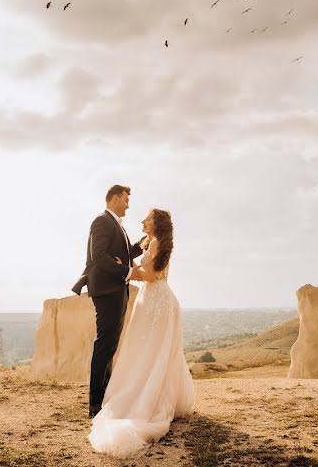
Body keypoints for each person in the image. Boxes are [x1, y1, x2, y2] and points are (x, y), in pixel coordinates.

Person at [87, 208, 195, 458]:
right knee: (150, 350)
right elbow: (147, 269)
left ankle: (148, 395)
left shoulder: (156, 242)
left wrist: (126, 270)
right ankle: (149, 389)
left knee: (150, 350)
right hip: (153, 300)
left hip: (156, 300)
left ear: (156, 223)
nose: (142, 221)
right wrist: (129, 266)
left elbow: (151, 276)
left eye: (147, 218)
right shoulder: (154, 242)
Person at [72, 184, 145, 418]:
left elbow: (122, 254)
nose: (128, 205)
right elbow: (99, 257)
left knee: (110, 345)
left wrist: (141, 246)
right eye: (125, 200)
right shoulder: (102, 221)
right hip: (107, 290)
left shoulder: (116, 225)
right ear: (114, 198)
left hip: (116, 290)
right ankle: (96, 406)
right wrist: (126, 271)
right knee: (104, 345)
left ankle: (105, 398)